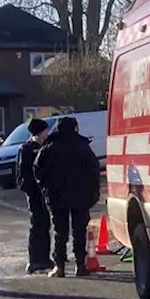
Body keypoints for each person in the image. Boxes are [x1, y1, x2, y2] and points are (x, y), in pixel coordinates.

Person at [33, 116, 101, 278]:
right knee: (79, 231)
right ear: (75, 128)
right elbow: (94, 170)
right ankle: (80, 265)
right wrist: (93, 191)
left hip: (57, 196)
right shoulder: (82, 146)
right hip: (80, 195)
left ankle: (60, 266)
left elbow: (38, 170)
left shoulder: (49, 146)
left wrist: (46, 188)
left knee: (60, 232)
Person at [16, 118, 54, 274]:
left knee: (46, 224)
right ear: (39, 132)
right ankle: (34, 260)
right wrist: (30, 190)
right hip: (34, 193)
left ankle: (45, 258)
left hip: (46, 191)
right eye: (45, 130)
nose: (47, 133)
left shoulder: (46, 146)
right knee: (36, 225)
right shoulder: (26, 149)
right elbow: (21, 174)